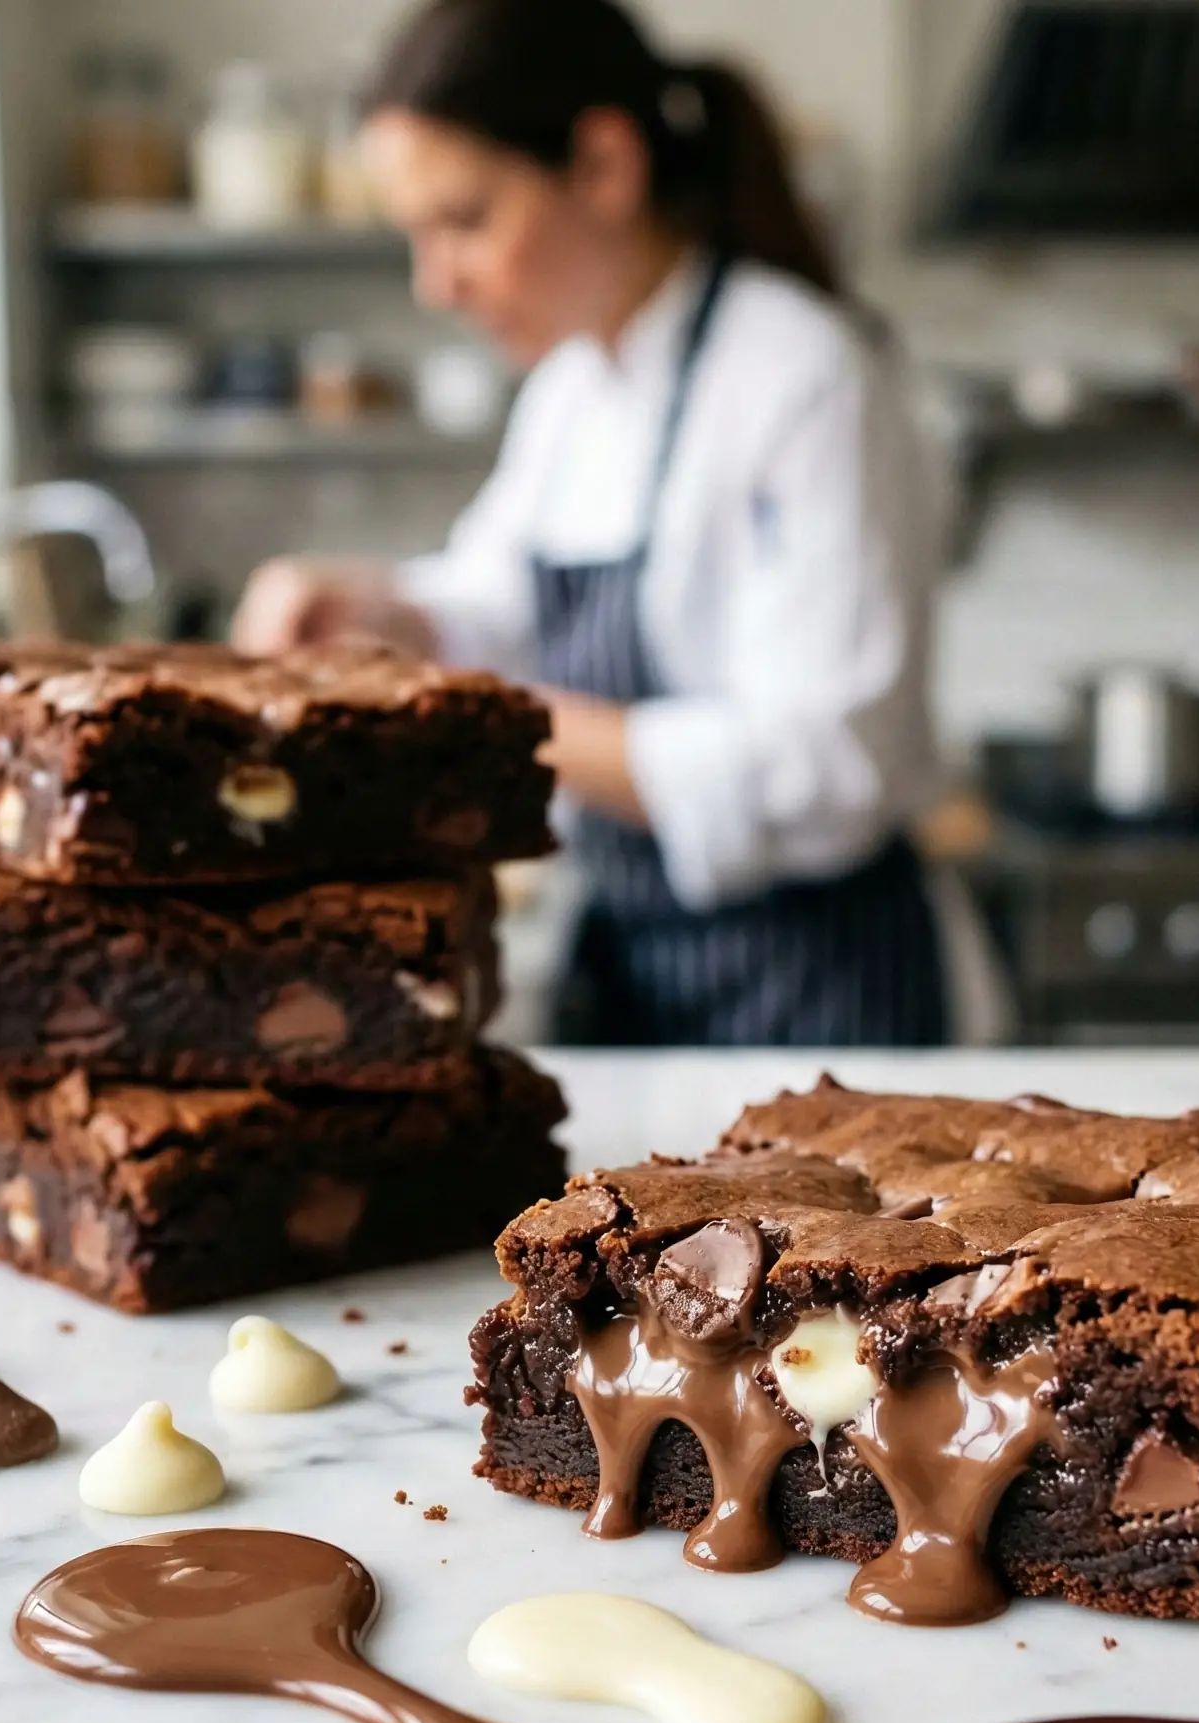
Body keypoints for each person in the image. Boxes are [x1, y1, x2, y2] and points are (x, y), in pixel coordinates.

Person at [233, 0, 946, 1046]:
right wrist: (375, 614)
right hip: (640, 979)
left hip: (817, 994)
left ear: (604, 166)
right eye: (416, 235)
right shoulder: (572, 388)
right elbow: (491, 602)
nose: (435, 284)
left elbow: (831, 767)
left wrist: (475, 714)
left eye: (464, 221)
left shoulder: (802, 374)